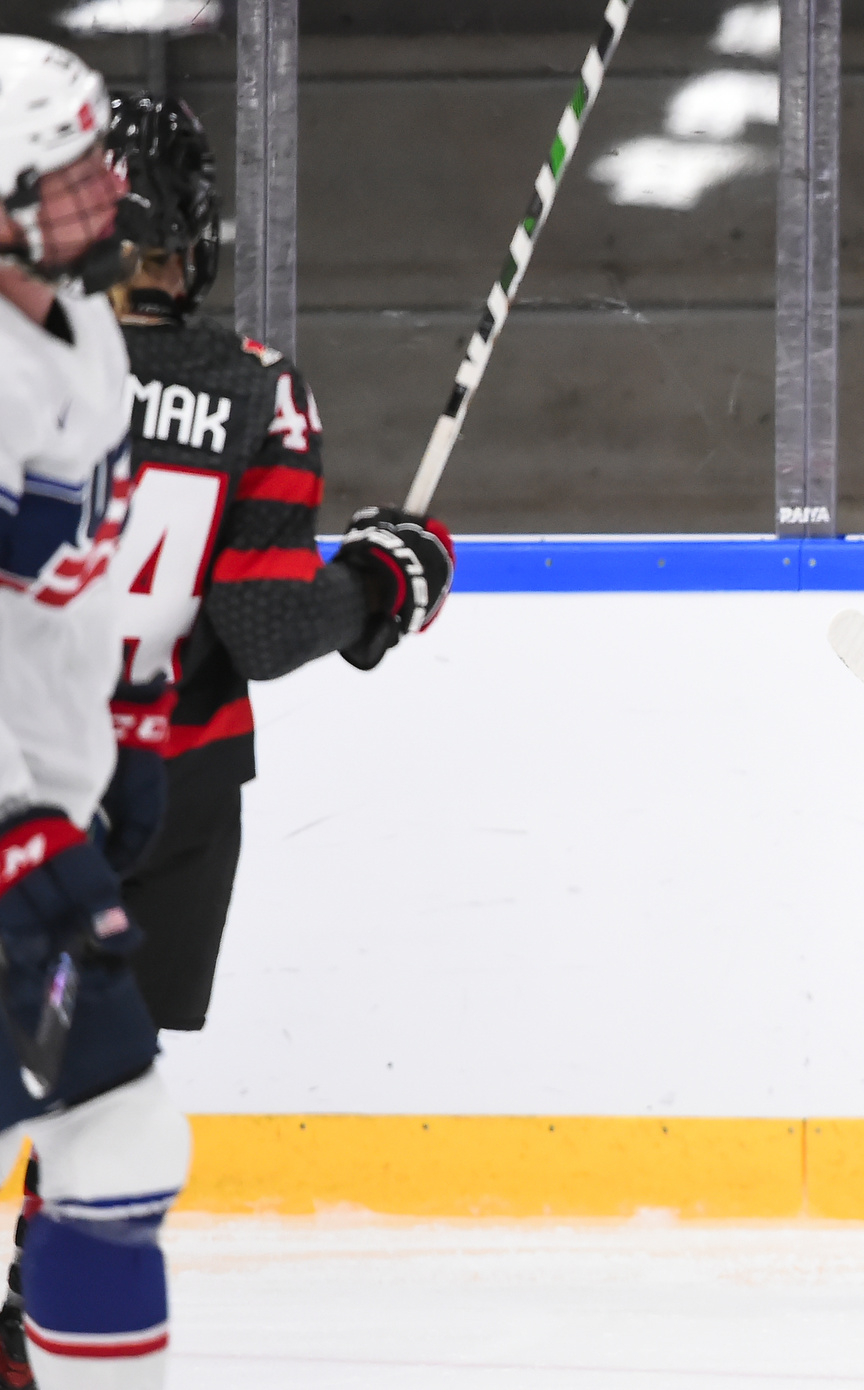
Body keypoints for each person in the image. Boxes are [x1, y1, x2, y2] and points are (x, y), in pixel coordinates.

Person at [0, 89, 455, 1390]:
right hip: (168, 785)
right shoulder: (257, 384)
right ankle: (57, 1319)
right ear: (181, 230)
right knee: (102, 1114)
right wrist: (385, 582)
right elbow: (260, 624)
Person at [0, 38, 190, 1390]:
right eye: (65, 175)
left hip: (36, 793)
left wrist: (103, 744)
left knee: (102, 1140)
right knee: (116, 1132)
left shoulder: (86, 327)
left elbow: (55, 592)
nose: (102, 193)